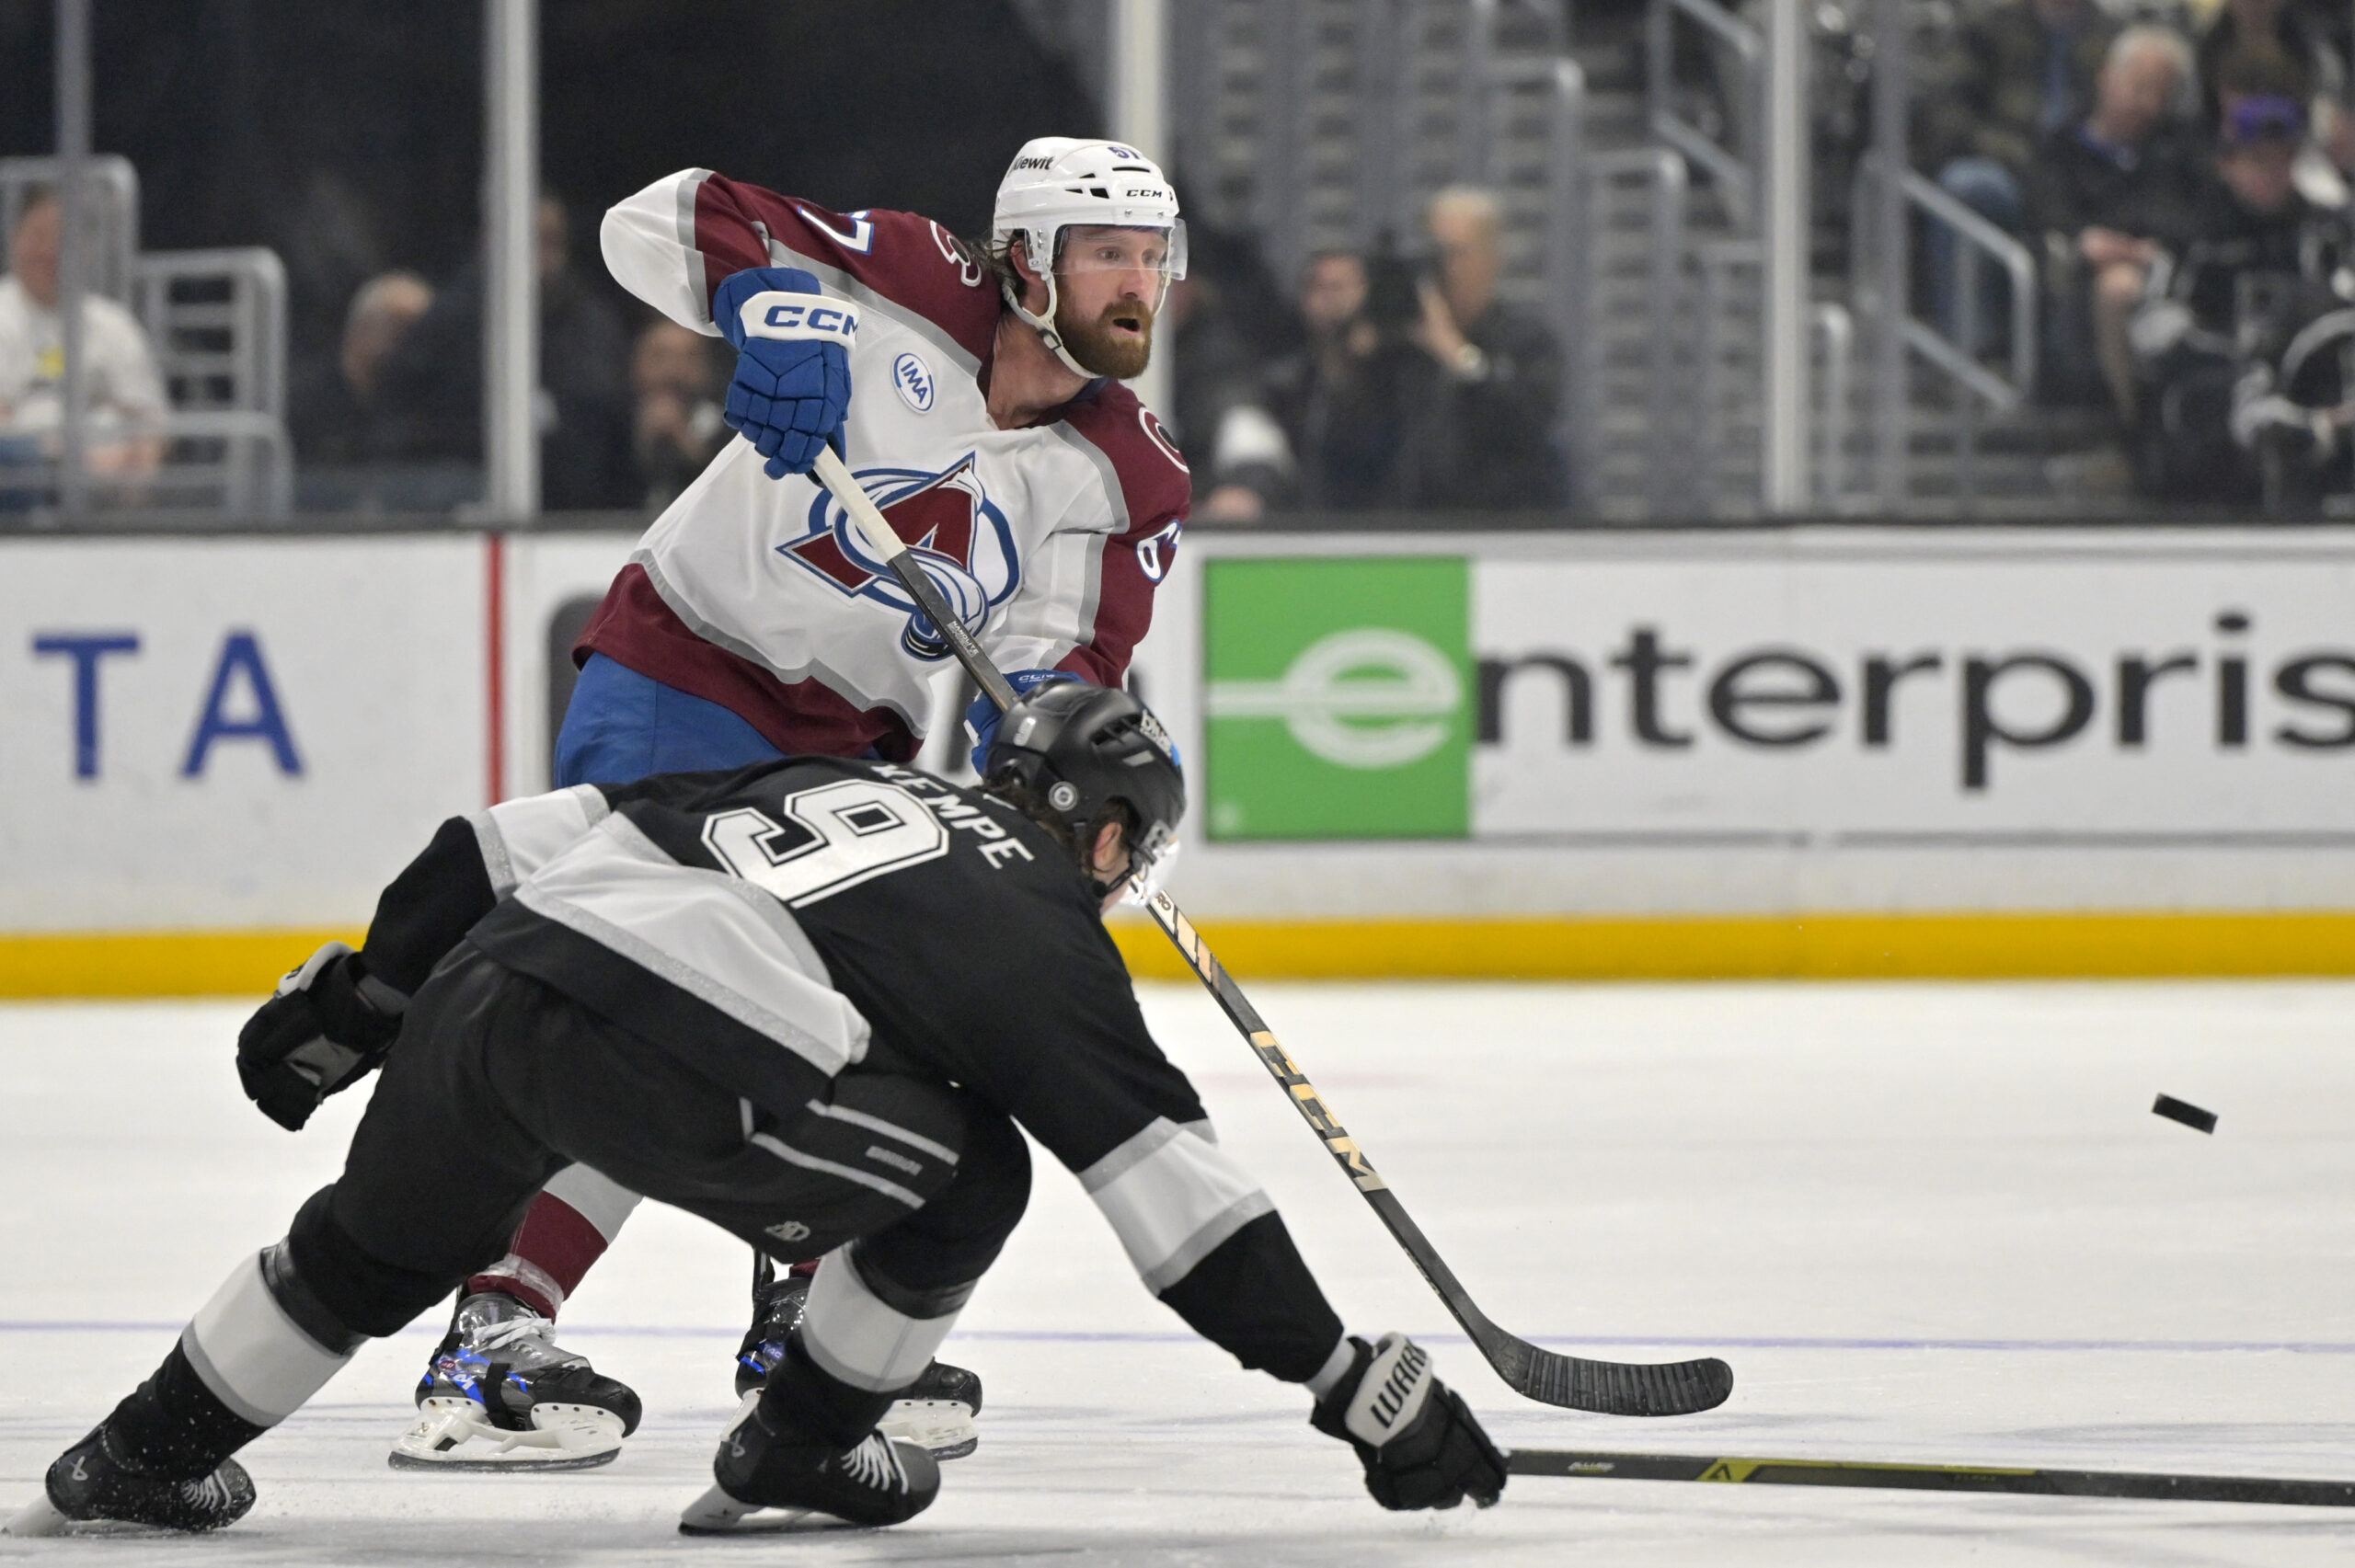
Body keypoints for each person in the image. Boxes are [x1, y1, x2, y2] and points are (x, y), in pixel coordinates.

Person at [6, 682, 1509, 1539]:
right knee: (973, 1175)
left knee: (364, 1256)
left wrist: (358, 1009)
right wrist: (1348, 1381)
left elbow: (501, 842)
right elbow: (1178, 1200)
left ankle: (141, 1452)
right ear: (1107, 833)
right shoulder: (1045, 926)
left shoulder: (817, 777)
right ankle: (797, 1444)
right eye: (1136, 852)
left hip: (486, 993)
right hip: (661, 1049)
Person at [394, 137, 1193, 1469]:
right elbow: (652, 218)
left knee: (834, 1032)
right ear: (1025, 263)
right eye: (1109, 252)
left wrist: (1062, 745)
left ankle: (801, 1334)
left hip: (852, 743)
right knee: (648, 1003)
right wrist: (770, 305)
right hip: (682, 670)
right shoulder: (904, 275)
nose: (1139, 286)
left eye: (1155, 259)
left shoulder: (1131, 474)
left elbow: (1060, 664)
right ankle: (492, 1333)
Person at [369, 194, 638, 509]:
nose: (542, 254)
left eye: (552, 241)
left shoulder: (591, 326)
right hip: (456, 504)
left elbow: (610, 423)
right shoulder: (446, 325)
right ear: (491, 240)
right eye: (530, 239)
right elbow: (401, 424)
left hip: (575, 512)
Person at [1921, 0, 2123, 353]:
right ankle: (1972, 351)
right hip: (2006, 166)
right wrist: (2009, 152)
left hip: (2084, 169)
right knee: (1969, 185)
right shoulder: (1989, 27)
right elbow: (1948, 113)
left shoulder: (2113, 35)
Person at [2027, 26, 2201, 420]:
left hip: (2167, 273)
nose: (2148, 103)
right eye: (2140, 86)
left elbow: (2187, 213)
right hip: (2079, 275)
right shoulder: (2061, 144)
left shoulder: (2175, 148)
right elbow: (2046, 210)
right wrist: (2085, 240)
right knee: (2117, 287)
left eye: (2162, 92)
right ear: (2106, 77)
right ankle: (2132, 421)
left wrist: (2146, 246)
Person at [0, 185, 167, 499]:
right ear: (15, 239)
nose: (49, 252)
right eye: (38, 237)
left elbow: (147, 421)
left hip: (107, 488)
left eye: (62, 241)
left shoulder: (113, 325)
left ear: (87, 249)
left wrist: (133, 492)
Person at [1409, 187, 1567, 509]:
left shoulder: (1527, 340)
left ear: (1491, 260)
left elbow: (1528, 421)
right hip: (1417, 526)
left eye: (1456, 254)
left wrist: (1458, 355)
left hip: (1501, 523)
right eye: (1435, 255)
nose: (1444, 269)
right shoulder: (1406, 347)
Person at [629, 316, 729, 509]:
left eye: (690, 357)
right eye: (660, 356)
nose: (674, 371)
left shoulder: (733, 427)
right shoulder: (604, 421)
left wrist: (686, 444)